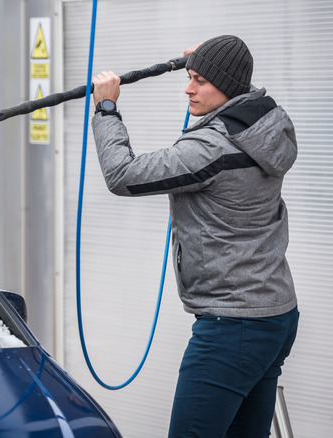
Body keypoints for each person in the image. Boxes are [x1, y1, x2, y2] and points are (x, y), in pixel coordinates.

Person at [90, 35, 300, 437]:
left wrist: (107, 108)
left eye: (200, 80)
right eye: (189, 77)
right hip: (276, 316)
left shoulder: (212, 148)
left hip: (233, 326)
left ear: (227, 85)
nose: (188, 88)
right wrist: (208, 63)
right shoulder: (266, 123)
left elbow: (123, 175)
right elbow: (241, 83)